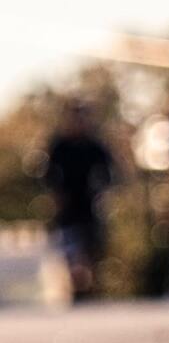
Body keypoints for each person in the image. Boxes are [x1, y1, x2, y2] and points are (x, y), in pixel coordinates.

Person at [42, 100, 115, 300]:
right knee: (72, 252)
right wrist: (56, 196)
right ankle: (77, 288)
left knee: (91, 251)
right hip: (67, 209)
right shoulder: (60, 146)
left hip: (91, 207)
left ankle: (90, 289)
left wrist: (103, 192)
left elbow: (109, 173)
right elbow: (48, 175)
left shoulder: (95, 146)